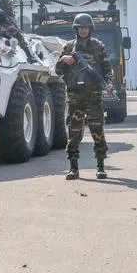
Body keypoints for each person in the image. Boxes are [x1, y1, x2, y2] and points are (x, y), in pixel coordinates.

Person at [56, 13, 115, 180]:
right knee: (74, 131)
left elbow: (106, 69)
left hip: (93, 95)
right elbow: (58, 71)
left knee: (97, 130)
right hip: (75, 96)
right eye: (80, 27)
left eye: (86, 27)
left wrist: (109, 83)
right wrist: (63, 61)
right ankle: (73, 168)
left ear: (90, 29)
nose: (83, 30)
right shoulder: (68, 47)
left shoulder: (98, 46)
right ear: (76, 29)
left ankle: (101, 166)